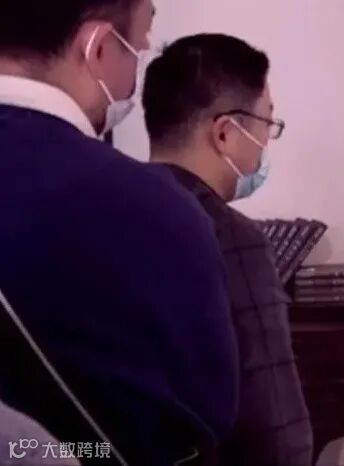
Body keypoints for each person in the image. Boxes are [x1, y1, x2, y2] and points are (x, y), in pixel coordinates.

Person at [0, 2, 239, 464]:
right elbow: (206, 417)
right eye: (140, 43)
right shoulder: (157, 209)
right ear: (99, 48)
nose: (140, 61)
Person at [142, 34, 313, 465]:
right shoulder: (230, 236)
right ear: (224, 133)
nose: (267, 142)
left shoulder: (106, 209)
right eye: (267, 124)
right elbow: (276, 426)